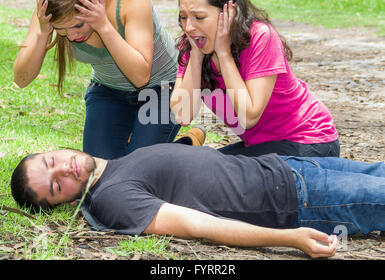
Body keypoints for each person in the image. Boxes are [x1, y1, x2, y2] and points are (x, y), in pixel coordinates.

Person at [11, 143, 385, 258]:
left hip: (287, 168)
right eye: (56, 186)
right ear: (63, 203)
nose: (65, 170)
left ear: (50, 151)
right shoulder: (111, 199)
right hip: (296, 200)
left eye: (51, 162)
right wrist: (289, 238)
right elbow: (197, 226)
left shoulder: (114, 162)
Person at [13, 0, 181, 160]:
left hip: (163, 89)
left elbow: (141, 76)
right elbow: (21, 79)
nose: (72, 36)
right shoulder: (51, 6)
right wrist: (43, 32)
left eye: (78, 25)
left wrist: (103, 26)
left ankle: (183, 147)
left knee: (137, 167)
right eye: (63, 29)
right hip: (108, 91)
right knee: (99, 175)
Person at [170, 0, 340, 158]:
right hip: (262, 147)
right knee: (203, 167)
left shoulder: (260, 37)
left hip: (307, 140)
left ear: (228, 12)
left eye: (199, 17)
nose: (189, 27)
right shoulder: (193, 45)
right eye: (183, 18)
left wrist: (224, 53)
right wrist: (196, 58)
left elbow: (248, 117)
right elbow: (181, 115)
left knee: (214, 172)